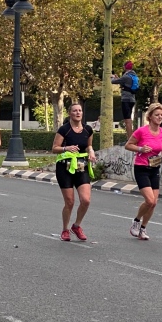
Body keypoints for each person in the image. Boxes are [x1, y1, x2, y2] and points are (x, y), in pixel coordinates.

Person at [125, 103, 162, 241]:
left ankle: (143, 229)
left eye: (161, 115)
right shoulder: (141, 131)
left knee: (154, 203)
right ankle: (136, 221)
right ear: (150, 116)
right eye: (157, 115)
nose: (160, 117)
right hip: (141, 168)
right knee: (149, 200)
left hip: (155, 168)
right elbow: (128, 145)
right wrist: (140, 149)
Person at [51, 103, 96, 241]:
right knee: (70, 202)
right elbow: (54, 148)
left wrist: (91, 152)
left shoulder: (88, 129)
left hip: (81, 167)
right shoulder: (64, 129)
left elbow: (88, 145)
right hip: (65, 168)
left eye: (80, 110)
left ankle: (76, 226)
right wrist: (66, 148)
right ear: (70, 113)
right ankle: (65, 229)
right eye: (75, 111)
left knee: (86, 200)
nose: (78, 113)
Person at [111, 61, 138, 140]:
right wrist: (117, 78)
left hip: (126, 99)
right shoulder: (133, 76)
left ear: (125, 67)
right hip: (132, 99)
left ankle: (130, 139)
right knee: (128, 119)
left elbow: (112, 81)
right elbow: (124, 84)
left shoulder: (126, 76)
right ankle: (129, 138)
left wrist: (112, 77)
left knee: (127, 120)